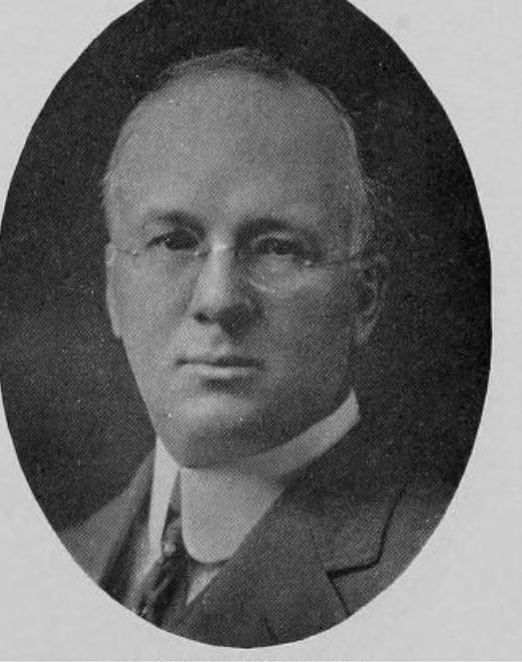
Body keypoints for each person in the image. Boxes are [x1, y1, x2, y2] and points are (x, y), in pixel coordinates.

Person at [61, 48, 452, 648]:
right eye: (173, 241)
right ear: (114, 289)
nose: (218, 300)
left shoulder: (449, 568)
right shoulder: (64, 555)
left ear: (365, 297)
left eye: (275, 247)